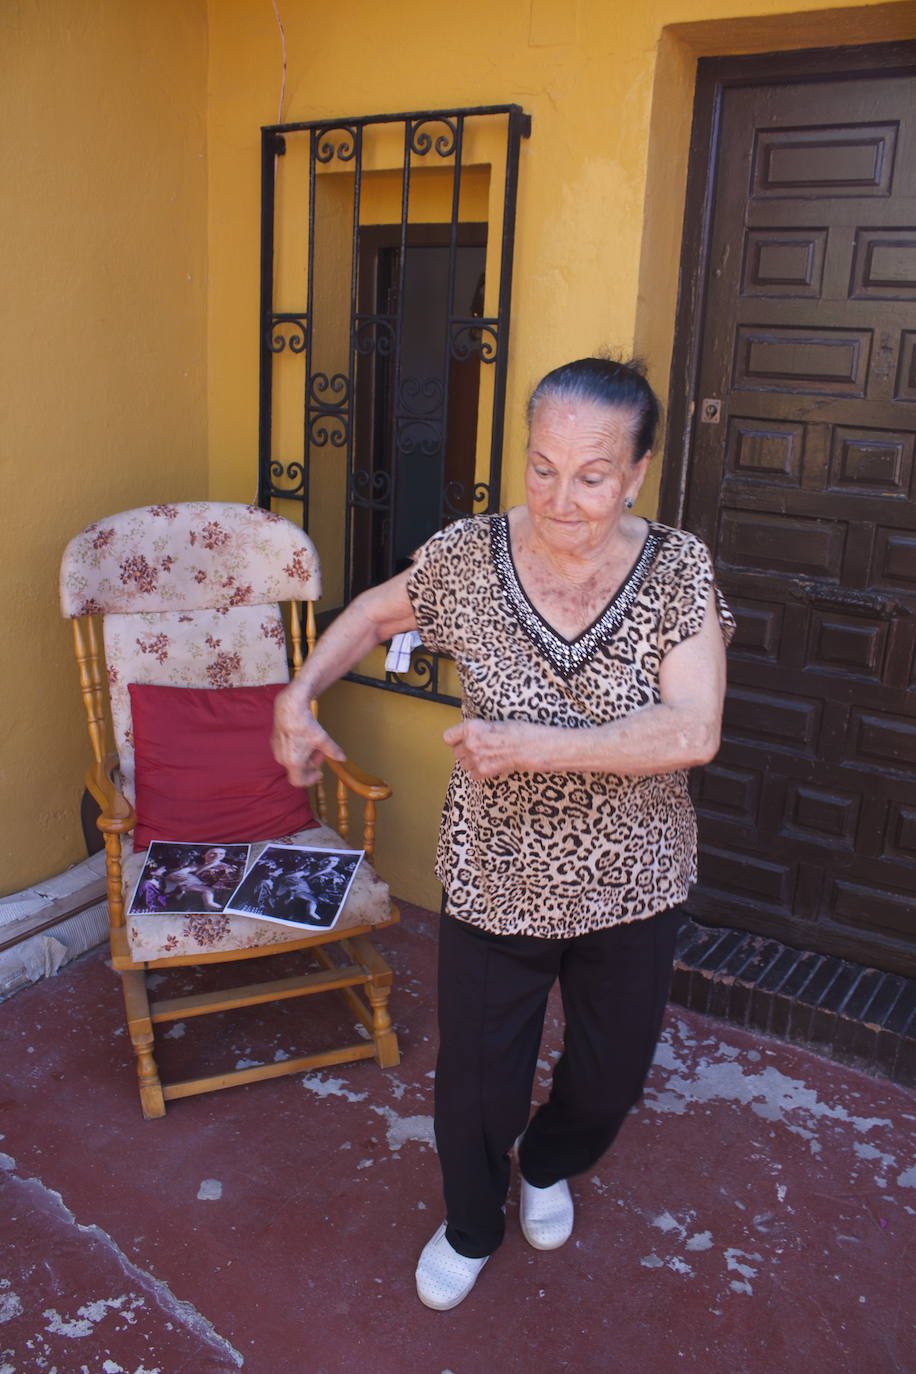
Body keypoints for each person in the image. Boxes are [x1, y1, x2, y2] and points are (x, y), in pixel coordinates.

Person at [272, 356, 733, 1311]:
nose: (562, 500)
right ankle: (473, 1221)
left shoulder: (677, 566)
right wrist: (298, 693)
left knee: (611, 1082)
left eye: (593, 475)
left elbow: (694, 730)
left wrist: (539, 745)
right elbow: (367, 613)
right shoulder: (470, 556)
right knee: (478, 1087)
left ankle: (549, 1163)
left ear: (639, 472)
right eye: (541, 467)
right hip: (496, 875)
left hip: (632, 880)